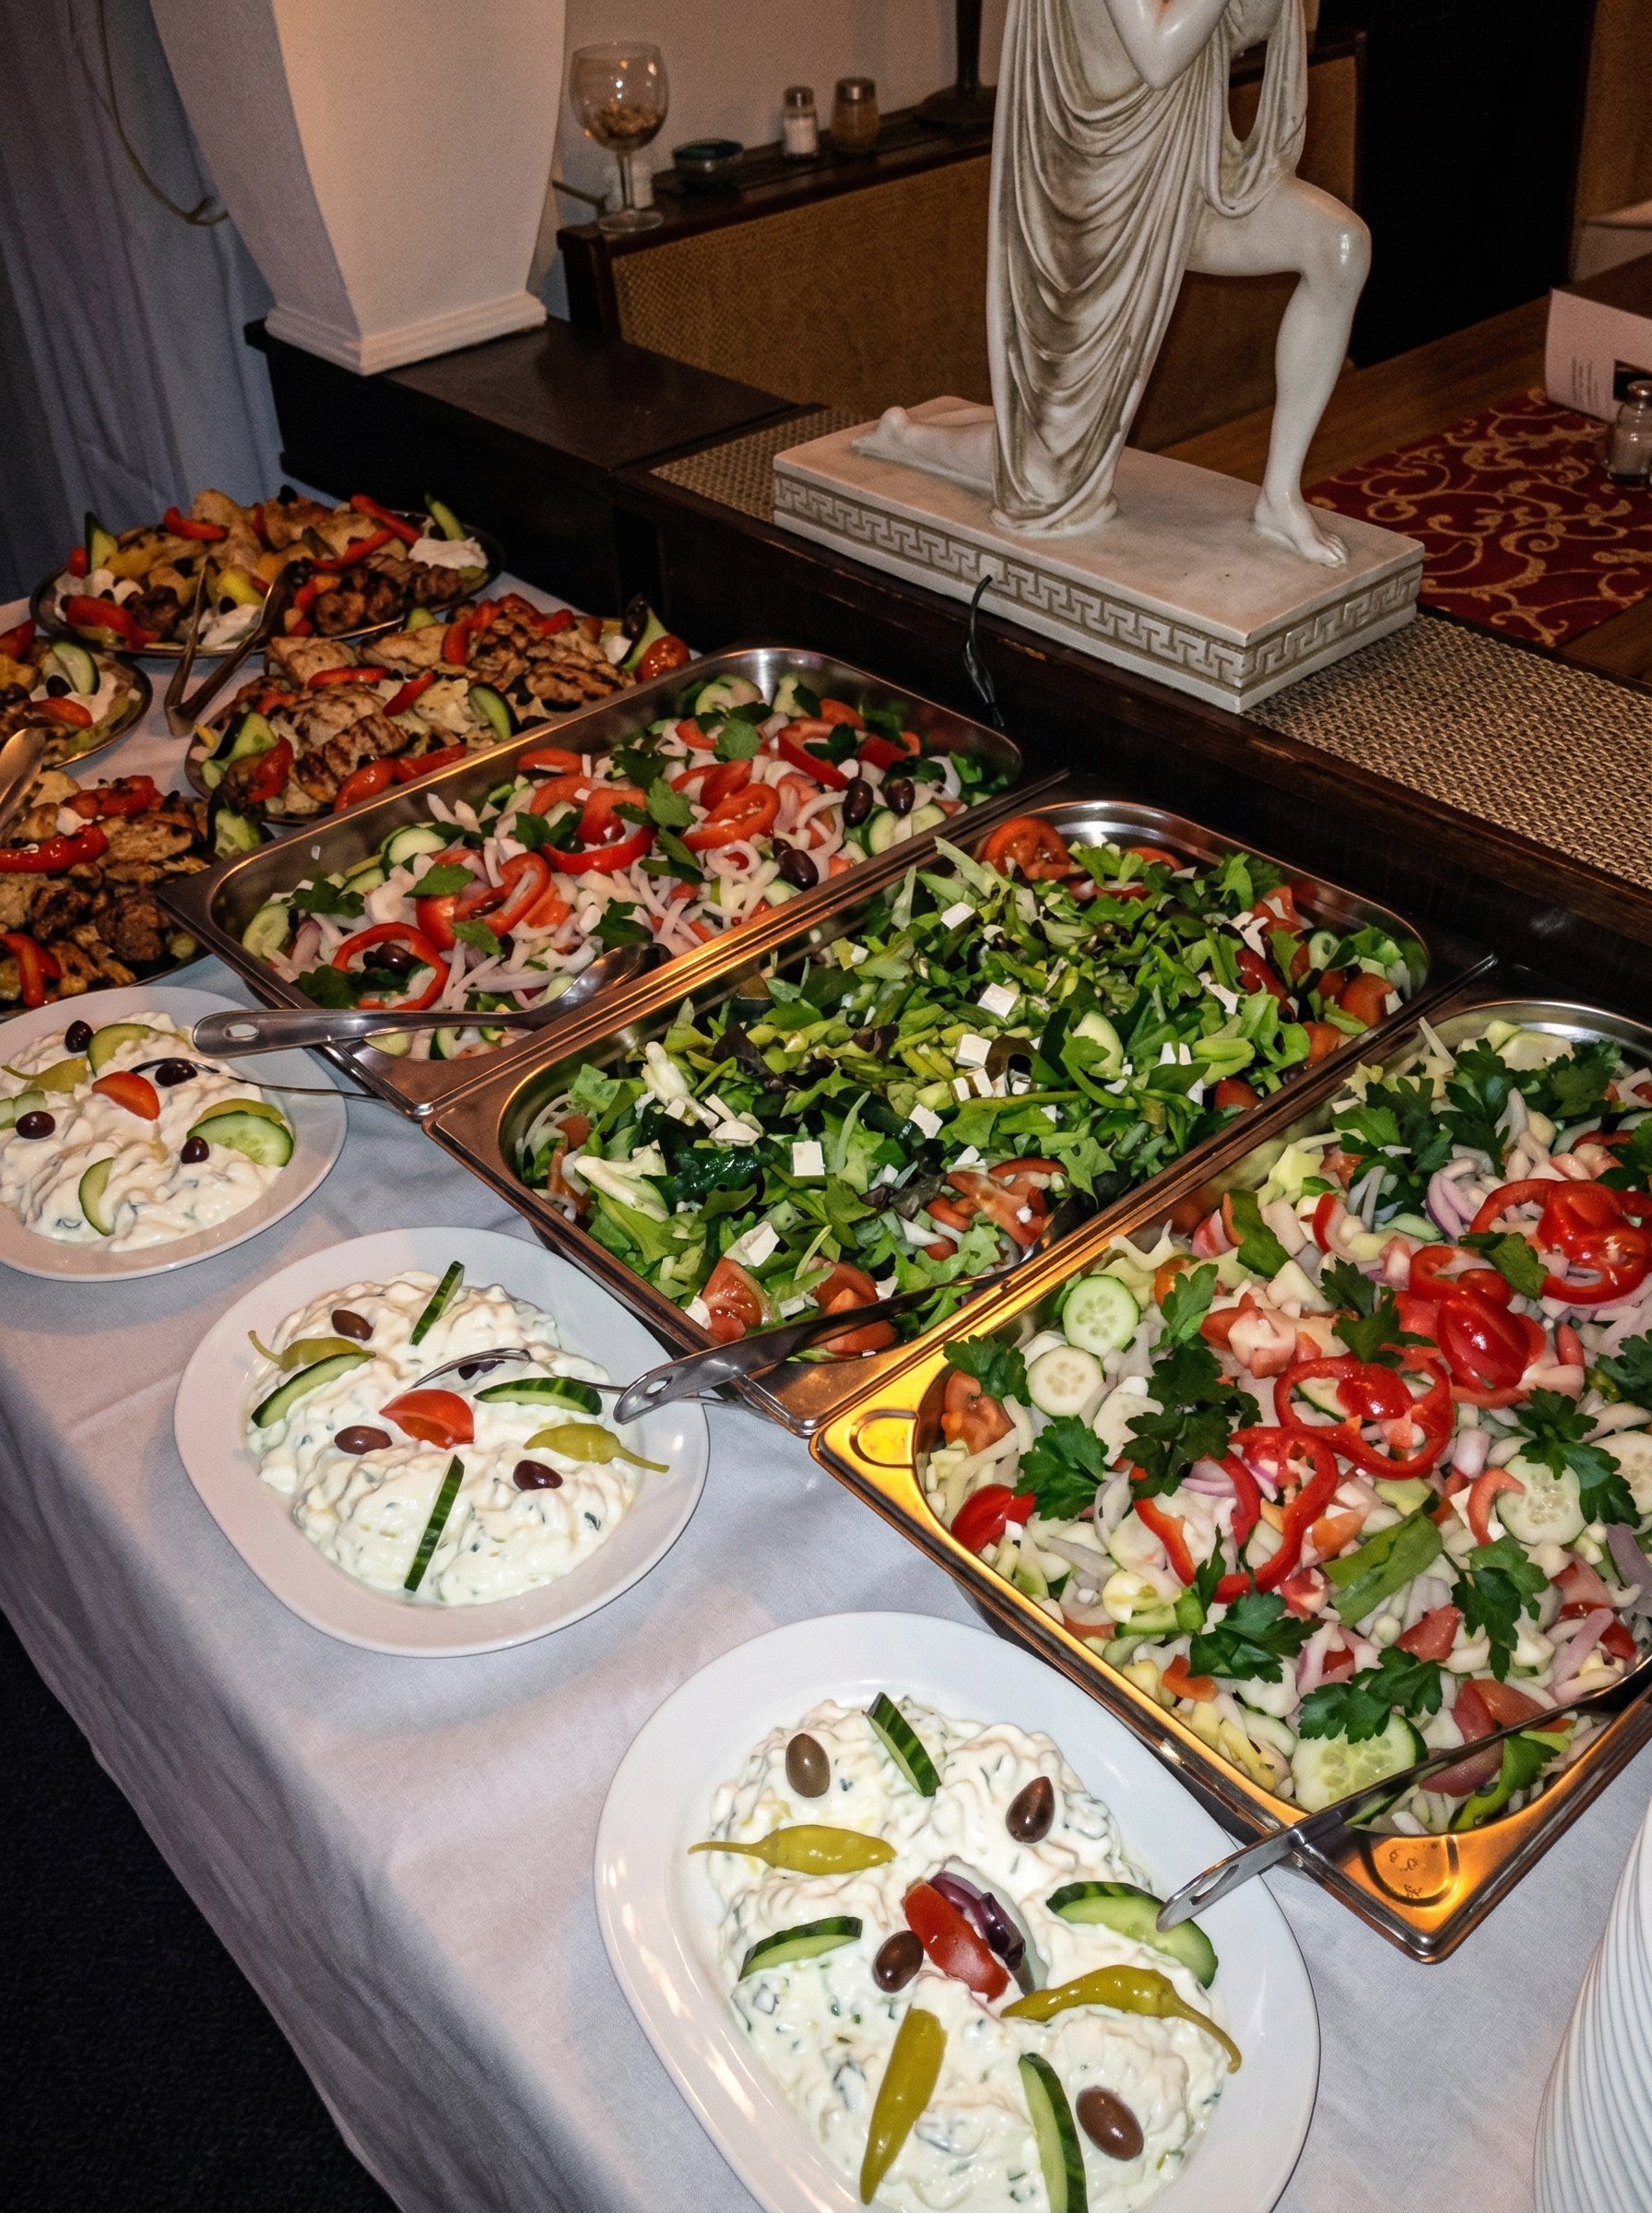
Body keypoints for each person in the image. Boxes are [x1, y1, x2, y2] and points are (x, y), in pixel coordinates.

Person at [860, 0, 1368, 564]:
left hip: (1191, 168)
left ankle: (1279, 496)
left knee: (1339, 248)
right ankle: (908, 438)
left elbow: (1229, 34)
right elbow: (1158, 54)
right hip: (1099, 201)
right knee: (1046, 476)